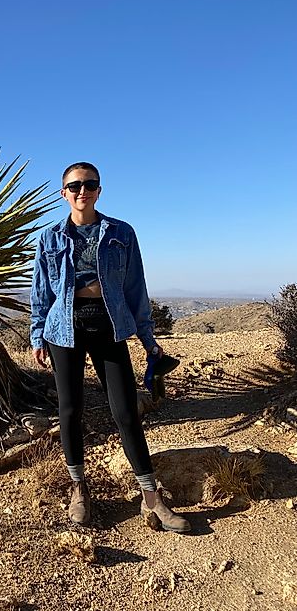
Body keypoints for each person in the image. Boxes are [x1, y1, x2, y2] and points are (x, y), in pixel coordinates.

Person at [29, 161, 190, 533]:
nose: (82, 191)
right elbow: (42, 292)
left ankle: (151, 498)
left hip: (109, 324)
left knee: (126, 411)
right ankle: (79, 488)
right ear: (63, 193)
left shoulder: (121, 232)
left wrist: (148, 339)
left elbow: (136, 287)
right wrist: (38, 335)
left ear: (99, 190)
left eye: (90, 184)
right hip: (63, 328)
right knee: (70, 410)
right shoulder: (50, 238)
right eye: (74, 186)